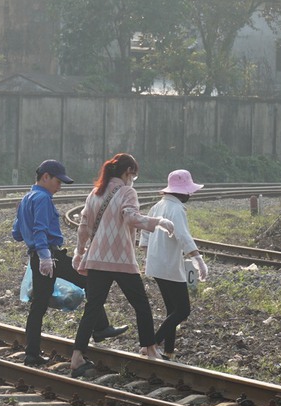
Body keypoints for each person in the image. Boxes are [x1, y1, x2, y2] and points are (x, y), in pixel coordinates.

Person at [12, 159, 128, 368]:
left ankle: (32, 354)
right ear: (45, 177)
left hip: (38, 256)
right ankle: (100, 328)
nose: (59, 186)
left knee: (38, 306)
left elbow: (17, 233)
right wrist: (45, 255)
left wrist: (39, 252)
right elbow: (39, 229)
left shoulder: (26, 198)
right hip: (50, 256)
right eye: (58, 181)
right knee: (90, 282)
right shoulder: (42, 198)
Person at [70, 153, 174, 370]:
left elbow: (83, 227)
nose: (132, 180)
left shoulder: (95, 193)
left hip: (96, 259)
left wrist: (79, 252)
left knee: (92, 308)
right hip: (121, 260)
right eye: (133, 176)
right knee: (141, 305)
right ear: (128, 172)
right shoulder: (127, 192)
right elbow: (131, 217)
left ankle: (77, 356)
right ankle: (150, 349)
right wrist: (159, 222)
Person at [140, 169, 207, 360]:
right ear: (181, 192)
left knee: (172, 310)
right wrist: (198, 259)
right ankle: (151, 344)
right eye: (188, 191)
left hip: (156, 264)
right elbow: (183, 236)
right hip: (169, 265)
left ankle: (168, 352)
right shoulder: (176, 209)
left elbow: (144, 235)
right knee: (183, 310)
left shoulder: (157, 206)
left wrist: (148, 255)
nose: (190, 195)